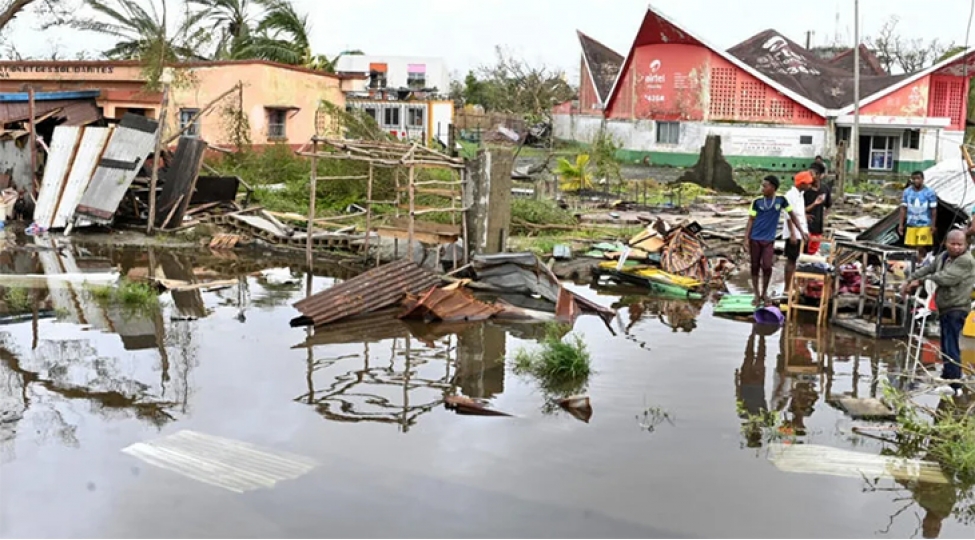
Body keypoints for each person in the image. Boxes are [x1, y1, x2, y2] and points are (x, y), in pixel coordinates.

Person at [901, 230, 975, 396]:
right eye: (953, 244)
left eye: (960, 245)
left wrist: (921, 281)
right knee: (945, 343)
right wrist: (910, 279)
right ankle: (947, 376)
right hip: (945, 307)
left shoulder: (966, 261)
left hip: (957, 307)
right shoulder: (943, 257)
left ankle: (955, 385)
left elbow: (947, 278)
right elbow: (929, 268)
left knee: (951, 345)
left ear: (965, 245)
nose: (956, 247)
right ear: (946, 243)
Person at [744, 175, 807, 307]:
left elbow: (792, 216)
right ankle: (756, 294)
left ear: (773, 188)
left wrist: (801, 231)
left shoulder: (781, 200)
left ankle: (764, 292)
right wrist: (746, 238)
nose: (762, 188)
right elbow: (751, 220)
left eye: (765, 186)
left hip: (768, 240)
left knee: (767, 266)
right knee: (755, 266)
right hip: (755, 238)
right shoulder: (757, 202)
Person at [782, 165, 822, 294]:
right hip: (793, 232)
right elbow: (788, 216)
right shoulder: (790, 195)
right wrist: (793, 233)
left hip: (800, 232)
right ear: (802, 183)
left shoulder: (800, 195)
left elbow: (800, 214)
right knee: (791, 259)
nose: (810, 186)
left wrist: (804, 231)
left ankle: (793, 286)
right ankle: (787, 288)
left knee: (796, 260)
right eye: (808, 184)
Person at [899, 171, 939, 262]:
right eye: (914, 179)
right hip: (911, 224)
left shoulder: (929, 192)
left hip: (925, 225)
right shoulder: (907, 192)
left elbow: (933, 210)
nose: (916, 181)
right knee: (911, 246)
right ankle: (915, 263)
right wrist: (901, 224)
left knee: (920, 245)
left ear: (922, 179)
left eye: (918, 178)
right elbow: (903, 208)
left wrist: (933, 225)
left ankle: (920, 262)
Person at [803, 165, 832, 255]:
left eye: (812, 174)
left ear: (819, 175)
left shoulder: (825, 189)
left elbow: (828, 205)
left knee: (813, 252)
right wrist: (804, 215)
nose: (809, 176)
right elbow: (797, 209)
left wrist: (824, 216)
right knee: (804, 251)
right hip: (805, 226)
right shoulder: (805, 190)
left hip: (818, 226)